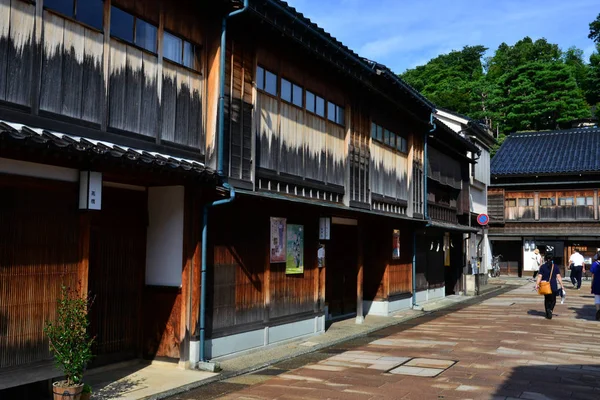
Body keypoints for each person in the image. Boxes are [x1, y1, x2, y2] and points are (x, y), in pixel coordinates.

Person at [535, 254, 565, 319]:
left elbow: (540, 276)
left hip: (545, 285)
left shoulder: (542, 267)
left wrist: (537, 284)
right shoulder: (555, 266)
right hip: (553, 285)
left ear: (545, 259)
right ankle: (550, 310)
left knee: (546, 299)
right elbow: (558, 276)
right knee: (553, 299)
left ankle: (547, 311)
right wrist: (562, 285)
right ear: (552, 259)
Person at [591, 253, 600, 321]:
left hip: (597, 282)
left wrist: (591, 284)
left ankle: (598, 310)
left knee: (597, 297)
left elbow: (593, 275)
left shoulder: (594, 264)